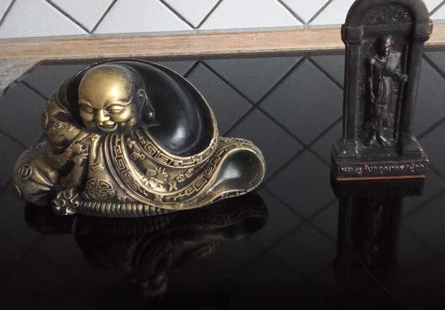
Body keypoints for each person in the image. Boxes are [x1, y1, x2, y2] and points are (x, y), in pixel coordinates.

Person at [11, 61, 265, 216]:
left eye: (114, 109)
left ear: (140, 100)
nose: (100, 120)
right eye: (88, 109)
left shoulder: (175, 135)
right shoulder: (69, 131)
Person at [365, 36, 407, 147]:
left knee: (383, 113)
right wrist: (371, 92)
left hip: (387, 88)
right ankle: (373, 135)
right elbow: (369, 78)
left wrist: (401, 76)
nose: (386, 49)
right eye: (384, 47)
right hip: (377, 89)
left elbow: (395, 72)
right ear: (379, 47)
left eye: (388, 47)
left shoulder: (393, 58)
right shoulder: (373, 61)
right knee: (375, 113)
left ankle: (378, 134)